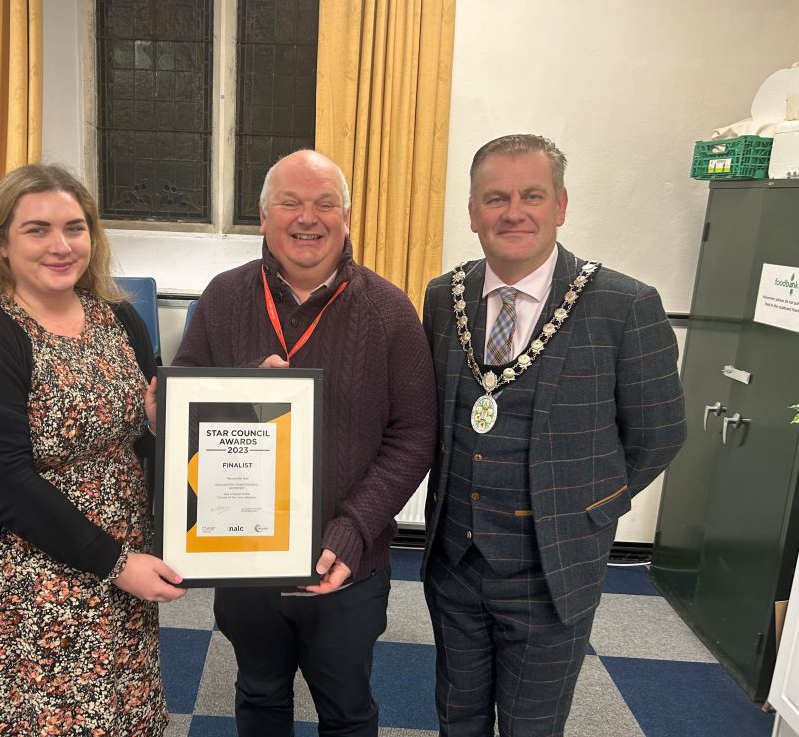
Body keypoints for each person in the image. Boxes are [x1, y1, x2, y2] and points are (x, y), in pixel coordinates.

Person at [421, 134, 686, 737]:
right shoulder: (444, 297)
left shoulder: (624, 305)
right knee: (455, 717)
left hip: (553, 571)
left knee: (531, 727)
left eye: (531, 195)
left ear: (561, 205)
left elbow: (660, 432)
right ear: (471, 212)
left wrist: (585, 510)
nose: (513, 212)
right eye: (495, 198)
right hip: (455, 562)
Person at [174, 149, 437, 736]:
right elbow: (178, 410)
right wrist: (238, 391)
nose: (307, 218)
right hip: (243, 560)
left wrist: (352, 531)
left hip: (348, 562)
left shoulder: (390, 310)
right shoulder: (223, 297)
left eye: (324, 204)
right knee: (260, 695)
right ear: (264, 218)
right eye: (289, 203)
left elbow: (415, 435)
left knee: (346, 711)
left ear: (346, 218)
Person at [0, 164, 187, 736]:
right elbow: (5, 481)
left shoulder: (118, 319)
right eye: (37, 230)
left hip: (115, 554)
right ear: (0, 244)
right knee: (32, 717)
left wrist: (219, 408)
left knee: (109, 707)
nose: (61, 246)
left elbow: (134, 431)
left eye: (75, 227)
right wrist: (116, 564)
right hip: (19, 574)